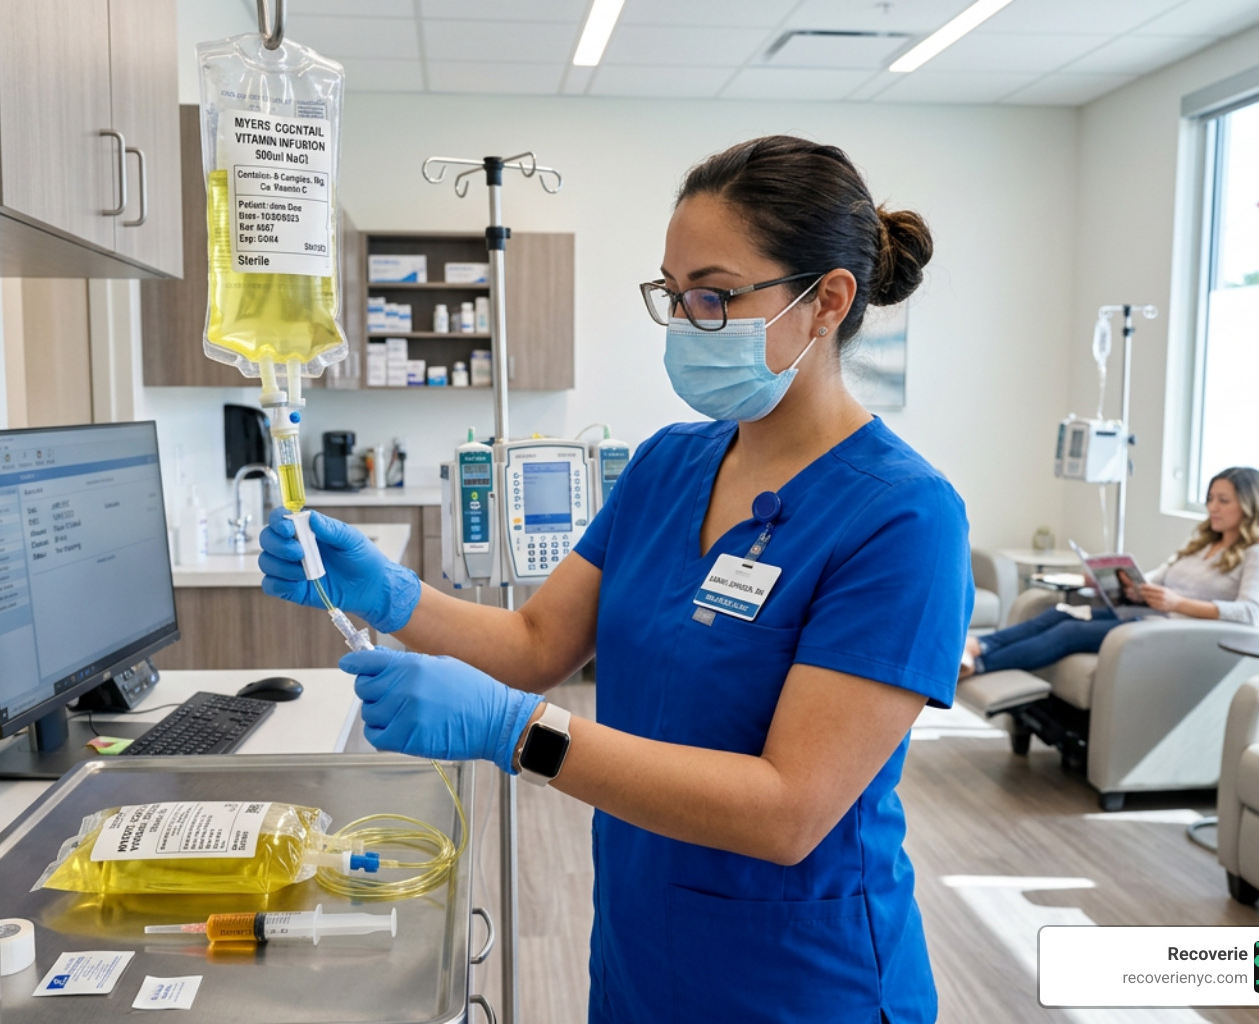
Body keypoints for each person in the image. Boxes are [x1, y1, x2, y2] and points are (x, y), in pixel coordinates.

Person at [260, 136, 972, 1023]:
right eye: (673, 296)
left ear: (826, 300)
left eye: (713, 295)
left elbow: (788, 811)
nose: (684, 322)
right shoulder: (668, 466)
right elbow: (534, 643)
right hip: (640, 946)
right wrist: (390, 595)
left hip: (800, 977)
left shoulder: (903, 519)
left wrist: (520, 734)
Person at [962, 466, 1259, 678]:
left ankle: (978, 665)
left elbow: (1251, 613)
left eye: (1223, 500)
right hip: (1147, 617)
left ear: (1249, 505)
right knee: (1059, 613)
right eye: (1210, 499)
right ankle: (978, 645)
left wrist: (1177, 604)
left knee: (1069, 632)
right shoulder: (1199, 546)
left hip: (1173, 633)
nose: (1213, 507)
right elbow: (1156, 580)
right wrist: (1120, 583)